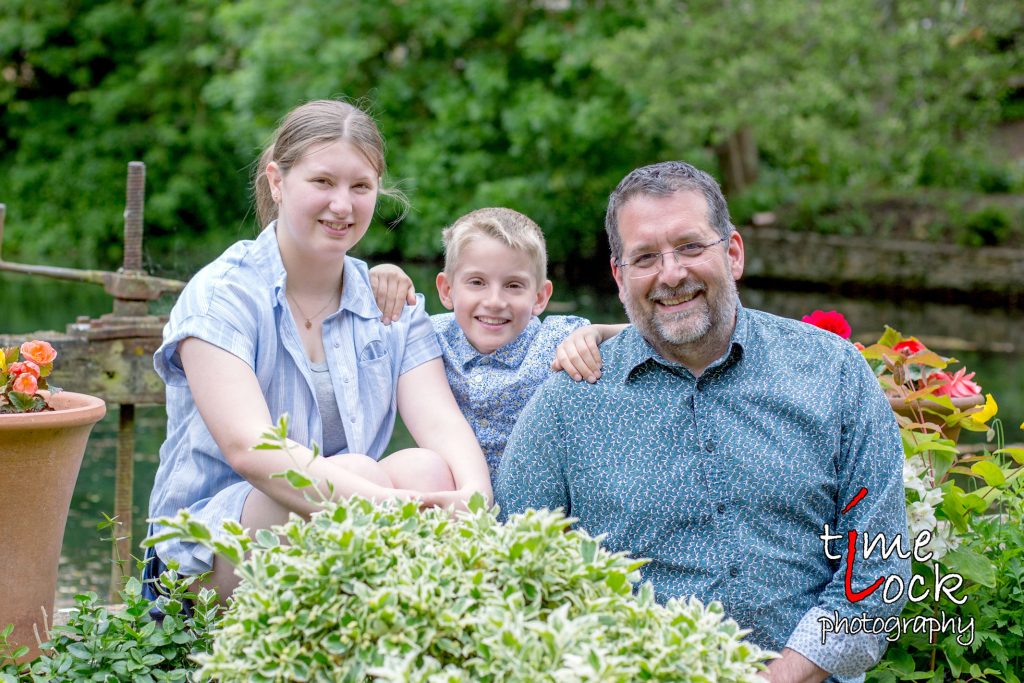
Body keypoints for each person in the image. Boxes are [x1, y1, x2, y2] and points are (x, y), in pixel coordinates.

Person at [495, 161, 911, 683]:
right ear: (620, 276)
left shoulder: (834, 374)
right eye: (646, 257)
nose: (671, 274)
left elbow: (874, 576)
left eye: (691, 247)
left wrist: (775, 680)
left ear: (732, 253)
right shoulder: (568, 404)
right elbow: (515, 576)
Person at [145, 99, 492, 600]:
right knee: (361, 472)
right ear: (277, 181)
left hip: (345, 533)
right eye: (323, 182)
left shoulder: (389, 303)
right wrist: (389, 505)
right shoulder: (223, 295)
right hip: (197, 560)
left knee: (426, 468)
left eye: (360, 187)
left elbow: (442, 425)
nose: (343, 205)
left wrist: (472, 500)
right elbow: (251, 449)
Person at [428, 207, 625, 482]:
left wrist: (598, 332)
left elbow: (648, 335)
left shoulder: (558, 339)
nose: (495, 301)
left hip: (535, 506)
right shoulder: (429, 335)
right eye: (477, 282)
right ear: (447, 290)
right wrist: (386, 275)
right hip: (455, 501)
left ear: (540, 297)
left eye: (513, 286)